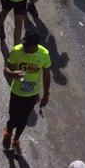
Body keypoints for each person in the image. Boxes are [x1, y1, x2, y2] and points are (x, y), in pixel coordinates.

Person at [3, 26, 51, 154]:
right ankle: (8, 130)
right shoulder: (17, 51)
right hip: (17, 92)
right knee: (13, 117)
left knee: (24, 118)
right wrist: (12, 74)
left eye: (28, 45)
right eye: (25, 43)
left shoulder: (44, 54)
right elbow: (6, 69)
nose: (25, 46)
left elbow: (46, 75)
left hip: (32, 94)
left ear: (35, 45)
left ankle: (16, 139)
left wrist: (46, 95)